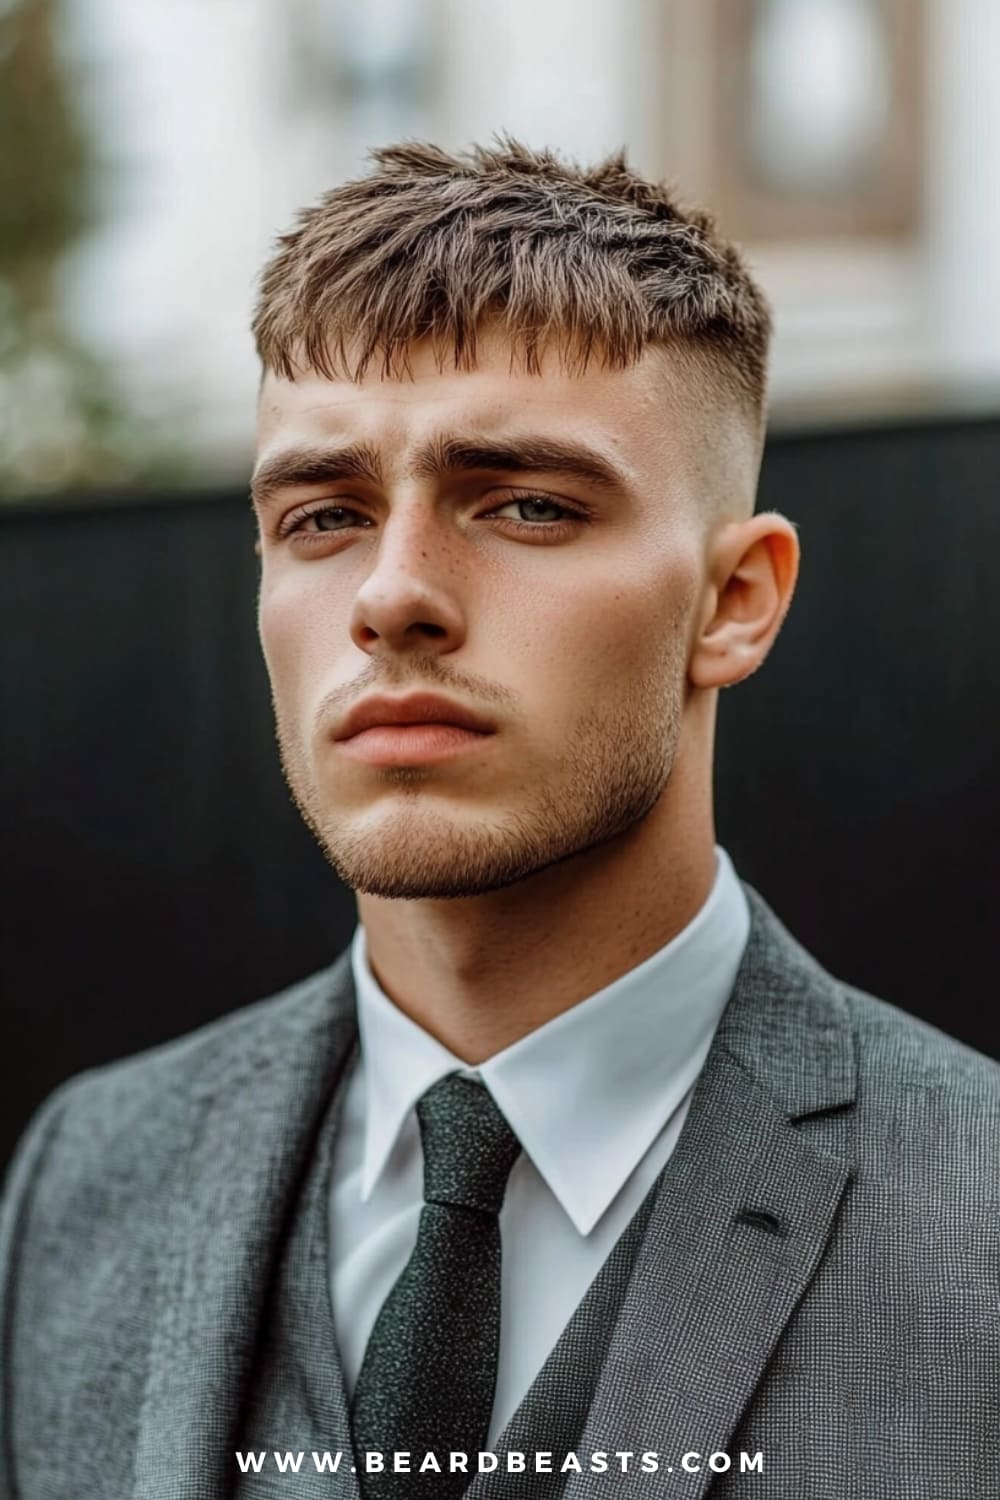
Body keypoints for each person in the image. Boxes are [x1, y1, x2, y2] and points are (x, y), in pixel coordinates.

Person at [2, 139, 998, 1500]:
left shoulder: (979, 1216)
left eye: (528, 503)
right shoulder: (80, 1187)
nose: (393, 594)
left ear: (737, 602)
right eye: (323, 515)